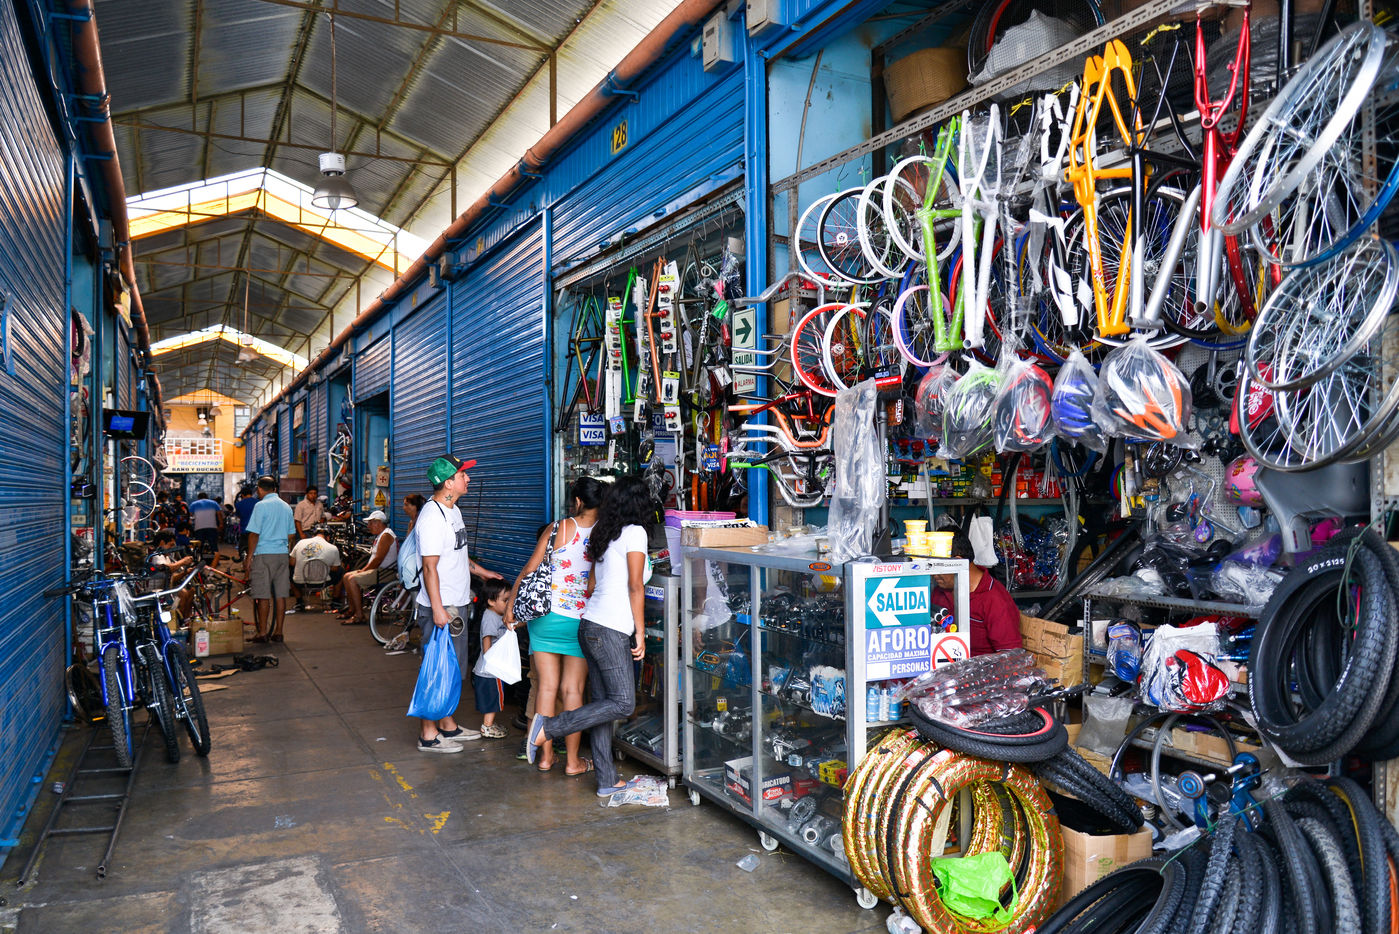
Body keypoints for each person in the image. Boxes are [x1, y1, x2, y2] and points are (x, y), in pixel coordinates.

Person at [528, 476, 655, 797]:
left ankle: (607, 779)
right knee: (623, 703)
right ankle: (549, 727)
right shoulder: (636, 532)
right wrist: (640, 631)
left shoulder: (606, 532)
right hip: (610, 629)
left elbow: (592, 584)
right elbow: (636, 585)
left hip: (590, 625)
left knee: (603, 704)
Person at [506, 477, 604, 774]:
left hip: (546, 617)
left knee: (546, 688)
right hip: (581, 619)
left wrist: (511, 607)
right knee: (573, 690)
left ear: (578, 501)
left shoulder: (558, 528)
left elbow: (529, 569)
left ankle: (546, 758)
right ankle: (573, 762)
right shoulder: (607, 533)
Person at [415, 454, 503, 753]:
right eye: (463, 474)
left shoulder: (453, 511)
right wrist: (438, 608)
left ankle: (447, 724)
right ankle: (428, 734)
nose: (469, 478)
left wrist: (482, 572)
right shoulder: (432, 517)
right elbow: (429, 568)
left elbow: (458, 553)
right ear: (448, 483)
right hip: (443, 608)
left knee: (451, 669)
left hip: (456, 604)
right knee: (436, 669)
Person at [930, 533, 1023, 657]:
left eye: (938, 567)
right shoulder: (940, 591)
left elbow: (1011, 656)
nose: (934, 574)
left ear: (957, 562)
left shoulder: (995, 599)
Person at [243, 476, 297, 643]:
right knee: (280, 595)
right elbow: (291, 534)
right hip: (282, 555)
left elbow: (254, 534)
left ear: (260, 489)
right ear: (275, 489)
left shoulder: (261, 506)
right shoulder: (286, 506)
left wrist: (249, 558)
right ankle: (279, 632)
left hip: (264, 555)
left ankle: (262, 633)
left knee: (263, 595)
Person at [339, 510, 398, 625]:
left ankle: (359, 615)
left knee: (352, 580)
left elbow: (378, 560)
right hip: (378, 570)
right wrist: (363, 570)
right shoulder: (381, 535)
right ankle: (352, 610)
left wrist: (363, 571)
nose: (369, 526)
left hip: (384, 572)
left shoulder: (386, 536)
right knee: (346, 576)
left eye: (371, 523)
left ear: (378, 523)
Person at [471, 578, 512, 739]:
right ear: (491, 601)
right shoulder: (490, 617)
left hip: (490, 669)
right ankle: (487, 727)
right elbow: (487, 639)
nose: (509, 603)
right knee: (493, 700)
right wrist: (490, 661)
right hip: (490, 671)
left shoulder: (497, 615)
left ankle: (489, 724)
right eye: (505, 600)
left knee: (492, 699)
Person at [289, 529, 343, 612]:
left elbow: (292, 563)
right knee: (340, 571)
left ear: (313, 536)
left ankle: (299, 602)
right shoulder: (333, 548)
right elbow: (335, 568)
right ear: (328, 538)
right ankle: (335, 602)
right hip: (323, 582)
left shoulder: (300, 543)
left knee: (289, 571)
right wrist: (325, 567)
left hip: (301, 582)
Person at [147, 529, 197, 619]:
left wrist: (185, 572)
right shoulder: (156, 556)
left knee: (191, 591)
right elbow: (167, 568)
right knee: (183, 593)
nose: (172, 548)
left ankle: (185, 619)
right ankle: (178, 620)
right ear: (162, 543)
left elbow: (172, 578)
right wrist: (182, 562)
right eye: (171, 545)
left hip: (166, 590)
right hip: (155, 592)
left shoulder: (166, 557)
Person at [188, 492, 223, 557]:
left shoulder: (194, 504)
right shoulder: (214, 503)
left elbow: (190, 515)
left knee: (199, 546)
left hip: (199, 527)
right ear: (207, 497)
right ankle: (216, 559)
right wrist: (221, 524)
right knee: (214, 545)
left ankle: (199, 558)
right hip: (212, 527)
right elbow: (219, 514)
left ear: (198, 498)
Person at [234, 486, 258, 559]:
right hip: (256, 531)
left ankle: (245, 562)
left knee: (243, 551)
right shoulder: (258, 503)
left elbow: (239, 516)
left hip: (244, 530)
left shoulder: (239, 504)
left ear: (242, 495)